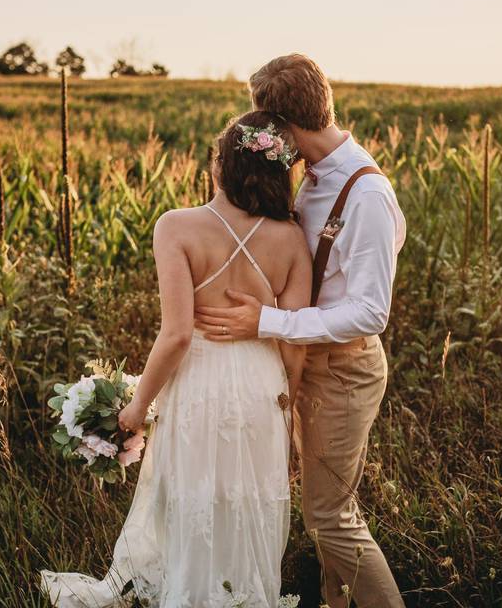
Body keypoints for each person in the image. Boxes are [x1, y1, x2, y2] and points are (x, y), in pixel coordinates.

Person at [40, 111, 311, 607]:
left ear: (219, 168)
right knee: (246, 494)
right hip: (260, 381)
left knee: (192, 492)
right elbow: (294, 338)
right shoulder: (292, 238)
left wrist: (136, 406)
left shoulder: (177, 227)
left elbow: (178, 335)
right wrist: (288, 401)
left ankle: (190, 591)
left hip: (200, 379)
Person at [195, 54, 407, 608]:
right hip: (309, 363)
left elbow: (370, 311)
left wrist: (267, 322)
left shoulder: (367, 195)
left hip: (344, 369)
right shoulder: (310, 179)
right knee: (323, 514)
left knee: (330, 518)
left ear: (284, 127)